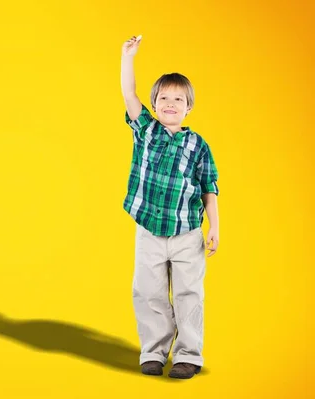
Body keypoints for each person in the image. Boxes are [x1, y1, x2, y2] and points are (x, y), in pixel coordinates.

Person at [120, 35, 220, 379]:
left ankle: (189, 355)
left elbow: (209, 188)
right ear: (154, 103)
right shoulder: (145, 130)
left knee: (190, 292)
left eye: (179, 99)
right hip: (149, 229)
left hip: (187, 232)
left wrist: (215, 227)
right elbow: (129, 93)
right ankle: (153, 351)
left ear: (189, 107)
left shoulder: (197, 144)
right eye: (164, 98)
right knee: (148, 291)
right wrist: (128, 57)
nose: (171, 104)